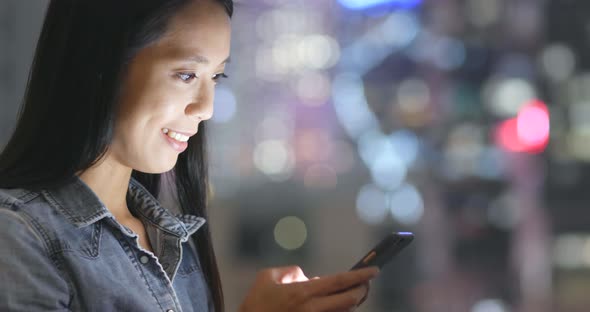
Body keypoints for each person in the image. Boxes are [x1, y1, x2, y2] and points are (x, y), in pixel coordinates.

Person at [0, 0, 379, 311]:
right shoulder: (17, 237)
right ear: (101, 64)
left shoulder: (171, 241)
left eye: (216, 77)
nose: (206, 107)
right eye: (186, 75)